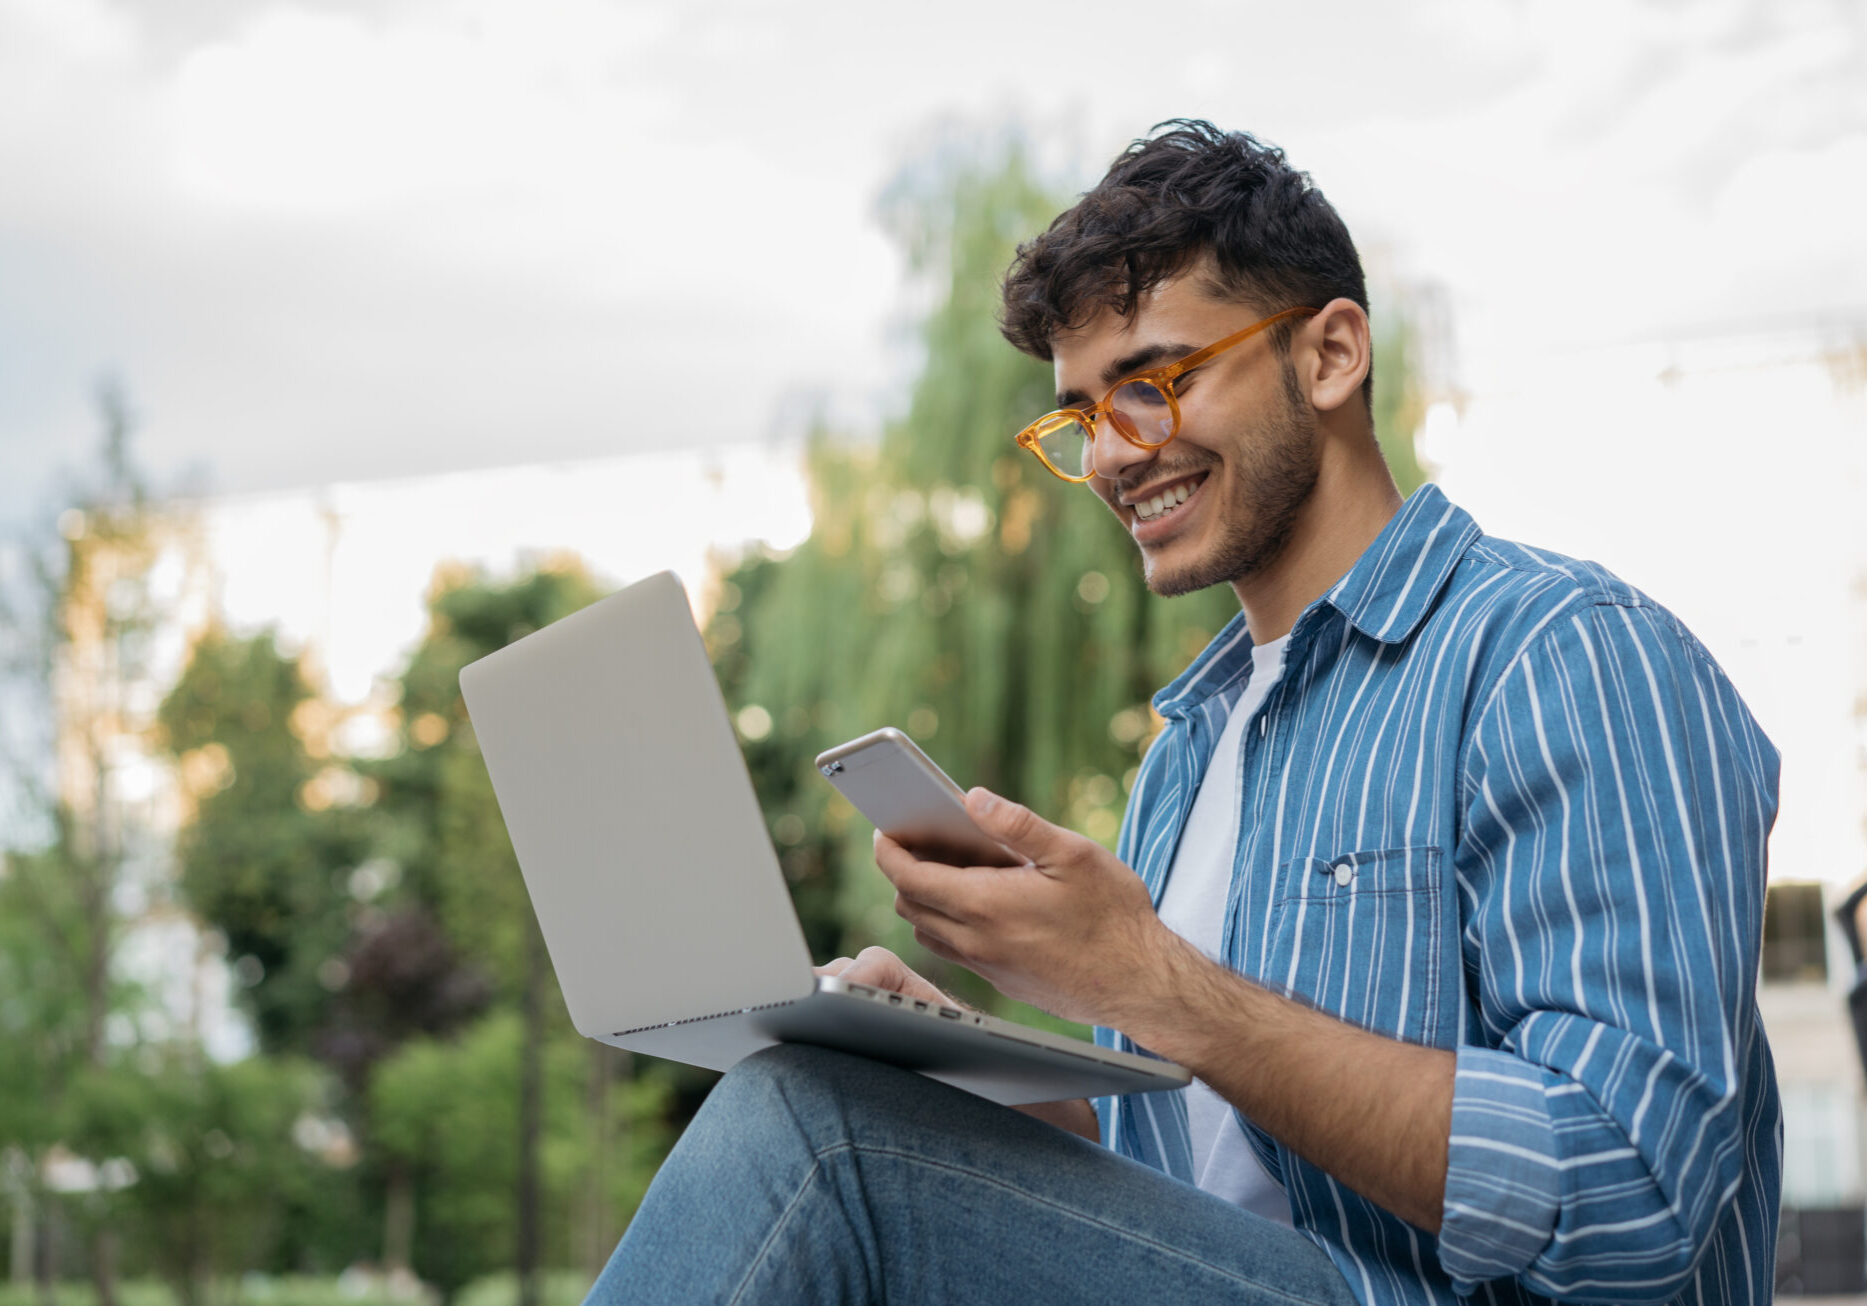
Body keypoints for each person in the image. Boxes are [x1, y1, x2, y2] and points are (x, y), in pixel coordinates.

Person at [589, 120, 1781, 1305]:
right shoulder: (1190, 752)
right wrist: (961, 1066)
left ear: (1329, 356)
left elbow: (1634, 1193)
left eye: (1155, 384)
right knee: (842, 1097)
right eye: (1083, 414)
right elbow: (1186, 1192)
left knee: (815, 1129)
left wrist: (1146, 977)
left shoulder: (1559, 651)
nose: (1113, 453)